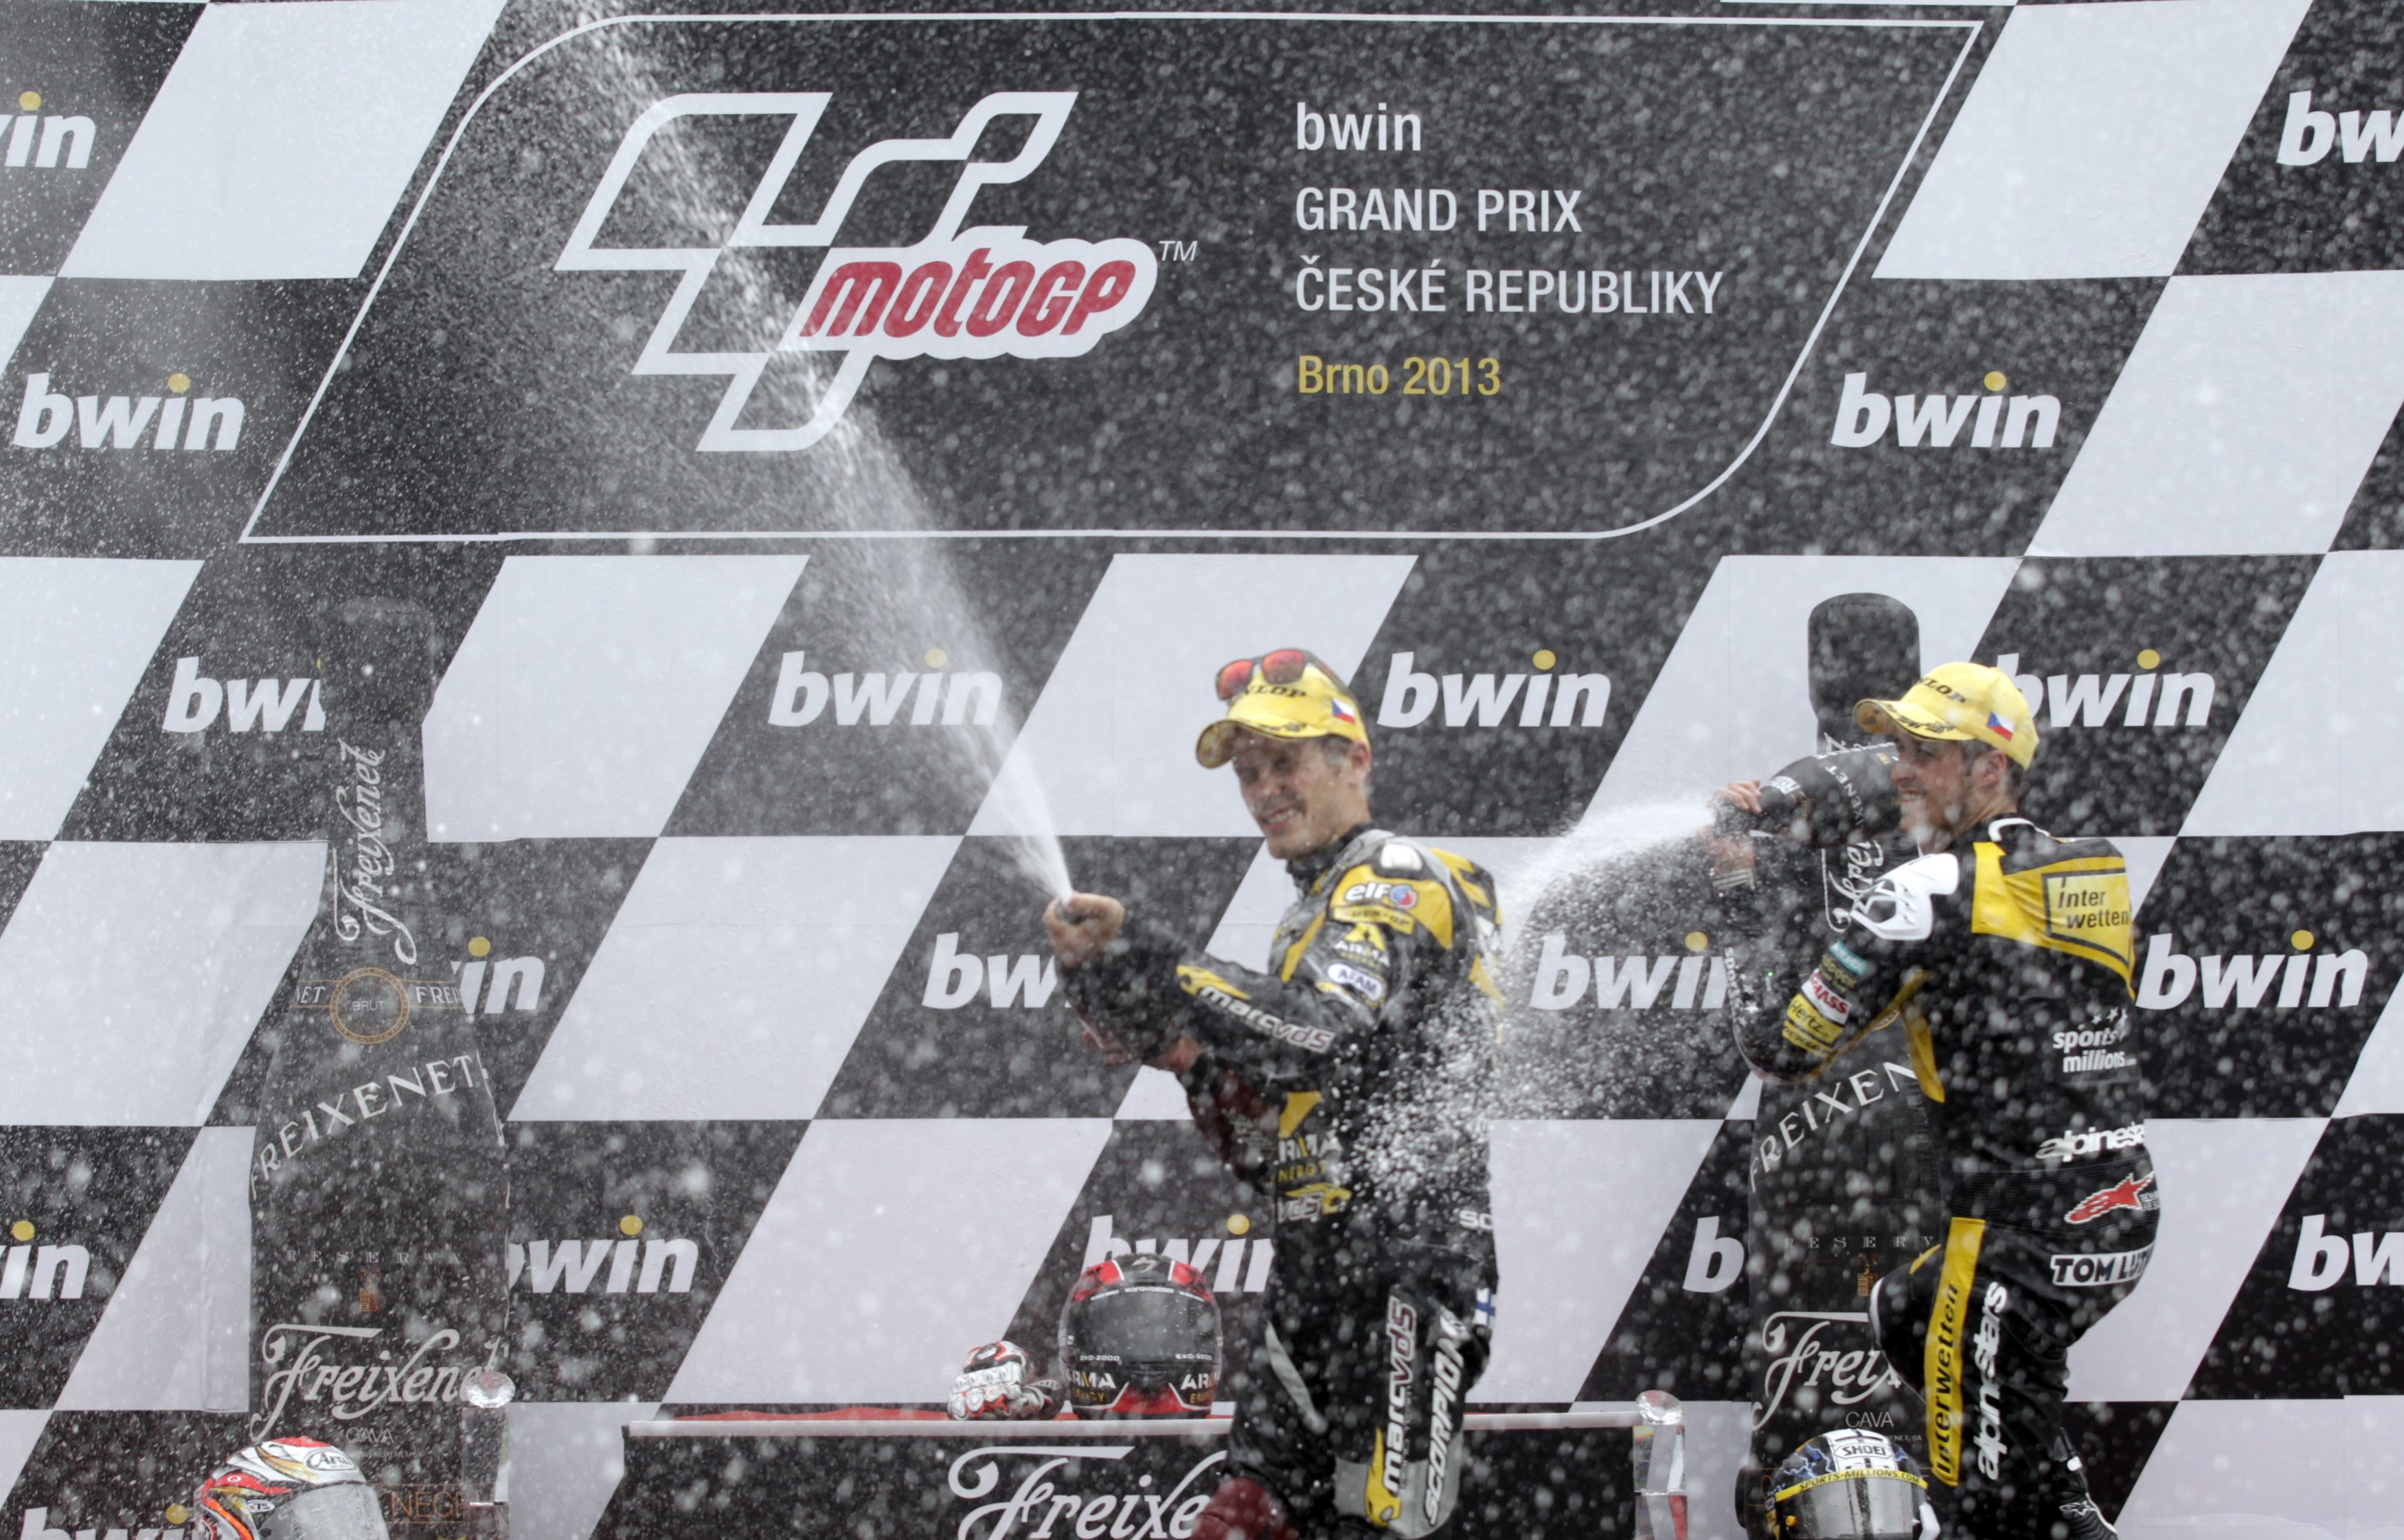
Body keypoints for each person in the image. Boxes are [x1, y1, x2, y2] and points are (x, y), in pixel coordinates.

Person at [1043, 648, 1501, 1540]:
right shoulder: (1314, 912)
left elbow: (1319, 1033)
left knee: (1380, 1527)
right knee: (1242, 1516)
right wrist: (1180, 1052)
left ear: (1353, 760)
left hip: (1408, 1277)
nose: (1262, 791)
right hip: (1316, 1272)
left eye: (1283, 763)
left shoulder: (1394, 876)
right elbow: (1277, 1143)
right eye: (1248, 773)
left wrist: (1160, 960)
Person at [1711, 663, 2151, 1540]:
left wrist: (1735, 888)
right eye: (1897, 750)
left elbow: (1777, 1048)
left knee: (1980, 1516)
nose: (1899, 770)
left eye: (1922, 753)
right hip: (2115, 1212)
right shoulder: (2093, 869)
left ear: (1988, 768)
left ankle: (2034, 1503)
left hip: (2008, 1248)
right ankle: (2064, 1500)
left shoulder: (1923, 893)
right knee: (1902, 1312)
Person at [1710, 594, 1942, 1528]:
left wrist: (1735, 874)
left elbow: (1757, 1024)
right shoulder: (1947, 809)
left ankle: (1824, 1489)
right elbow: (1759, 1028)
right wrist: (1735, 864)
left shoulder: (1939, 813)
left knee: (1895, 1357)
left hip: (1854, 1124)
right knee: (1892, 1352)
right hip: (1881, 1123)